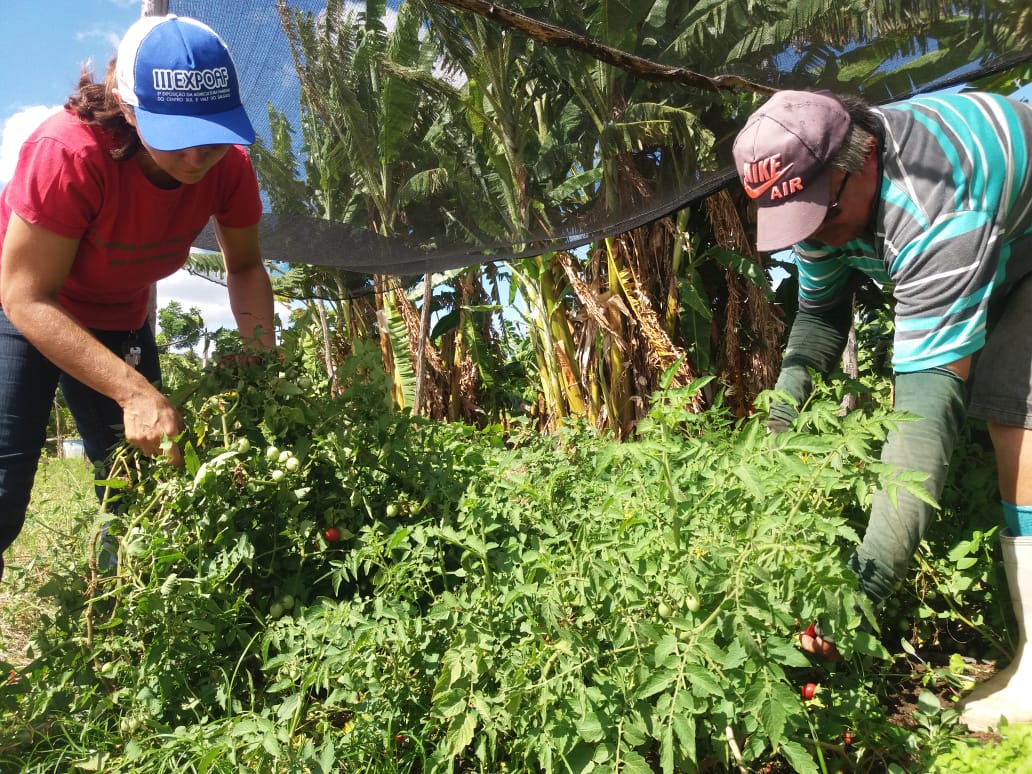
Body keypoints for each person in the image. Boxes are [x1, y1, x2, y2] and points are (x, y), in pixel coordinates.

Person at [732, 89, 1032, 731]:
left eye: (820, 212)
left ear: (861, 157)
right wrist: (771, 445)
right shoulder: (821, 199)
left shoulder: (934, 200)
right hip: (999, 241)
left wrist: (858, 595)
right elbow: (819, 320)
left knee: (1013, 406)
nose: (810, 233)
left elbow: (922, 420)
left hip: (1018, 234)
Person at [0, 15, 275, 581]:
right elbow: (25, 296)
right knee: (3, 491)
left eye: (213, 134)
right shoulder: (69, 152)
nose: (199, 156)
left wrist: (259, 361)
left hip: (118, 316)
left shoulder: (229, 169)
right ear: (128, 109)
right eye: (179, 135)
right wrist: (133, 392)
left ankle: (121, 624)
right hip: (22, 306)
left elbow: (245, 266)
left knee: (140, 487)